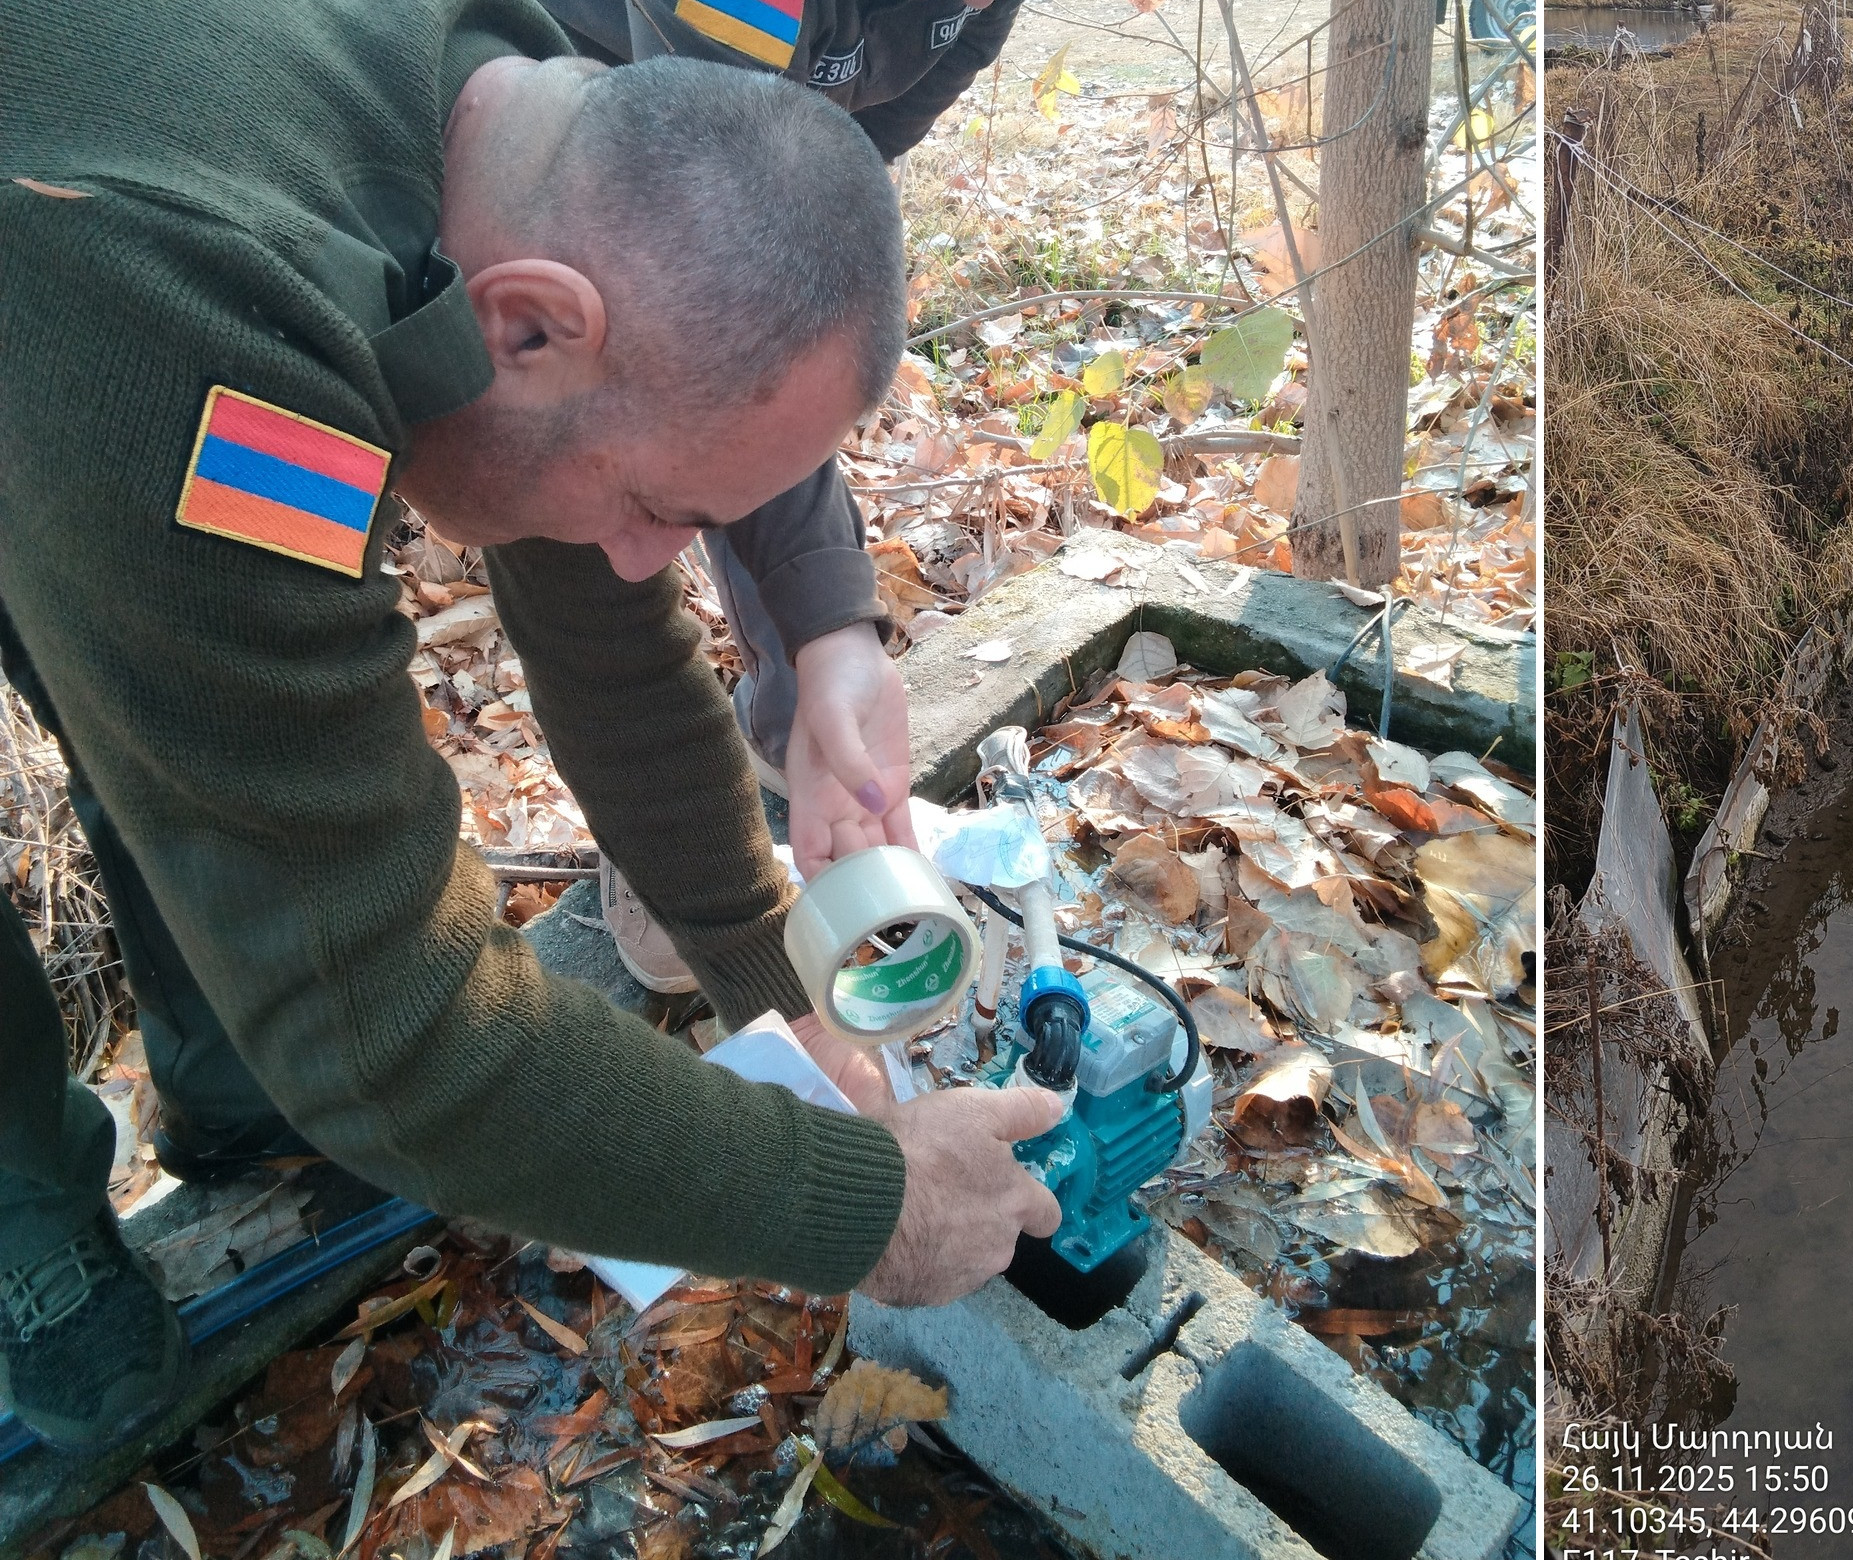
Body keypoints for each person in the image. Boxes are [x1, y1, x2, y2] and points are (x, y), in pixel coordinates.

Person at [0, 0, 1061, 1452]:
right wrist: (866, 1205)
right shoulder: (220, 334)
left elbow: (607, 641)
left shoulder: (510, 119)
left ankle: (230, 1091)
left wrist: (770, 980)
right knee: (199, 698)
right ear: (531, 321)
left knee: (186, 714)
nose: (647, 563)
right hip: (72, 265)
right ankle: (20, 1212)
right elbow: (391, 1030)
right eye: (654, 512)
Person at [538, 0, 1029, 996]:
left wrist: (833, 634)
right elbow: (717, 266)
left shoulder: (981, 9)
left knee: (752, 433)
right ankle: (668, 844)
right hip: (559, 152)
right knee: (604, 499)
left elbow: (810, 220)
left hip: (713, 181)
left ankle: (791, 723)